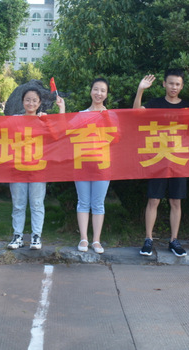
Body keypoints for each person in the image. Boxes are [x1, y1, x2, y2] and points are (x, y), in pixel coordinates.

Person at [133, 69, 189, 257]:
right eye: (171, 83)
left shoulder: (188, 107)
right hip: (158, 158)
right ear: (164, 84)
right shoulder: (155, 104)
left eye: (177, 84)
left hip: (179, 160)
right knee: (153, 200)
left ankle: (174, 240)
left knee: (176, 201)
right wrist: (140, 90)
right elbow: (135, 114)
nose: (174, 87)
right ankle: (148, 239)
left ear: (182, 86)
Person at [7, 87, 65, 250]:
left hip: (39, 169)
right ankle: (17, 236)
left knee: (37, 204)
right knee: (18, 204)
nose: (30, 103)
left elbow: (58, 134)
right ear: (22, 102)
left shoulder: (43, 120)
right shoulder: (15, 119)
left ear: (39, 103)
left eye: (34, 100)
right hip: (18, 168)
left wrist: (61, 109)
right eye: (27, 100)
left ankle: (36, 236)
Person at [75, 77, 112, 254]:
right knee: (83, 202)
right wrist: (62, 109)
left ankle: (96, 240)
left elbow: (118, 137)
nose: (99, 93)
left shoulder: (111, 115)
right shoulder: (81, 114)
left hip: (103, 165)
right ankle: (84, 238)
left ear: (106, 94)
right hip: (82, 163)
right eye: (96, 89)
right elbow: (67, 131)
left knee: (98, 203)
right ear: (91, 91)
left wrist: (107, 118)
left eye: (103, 90)